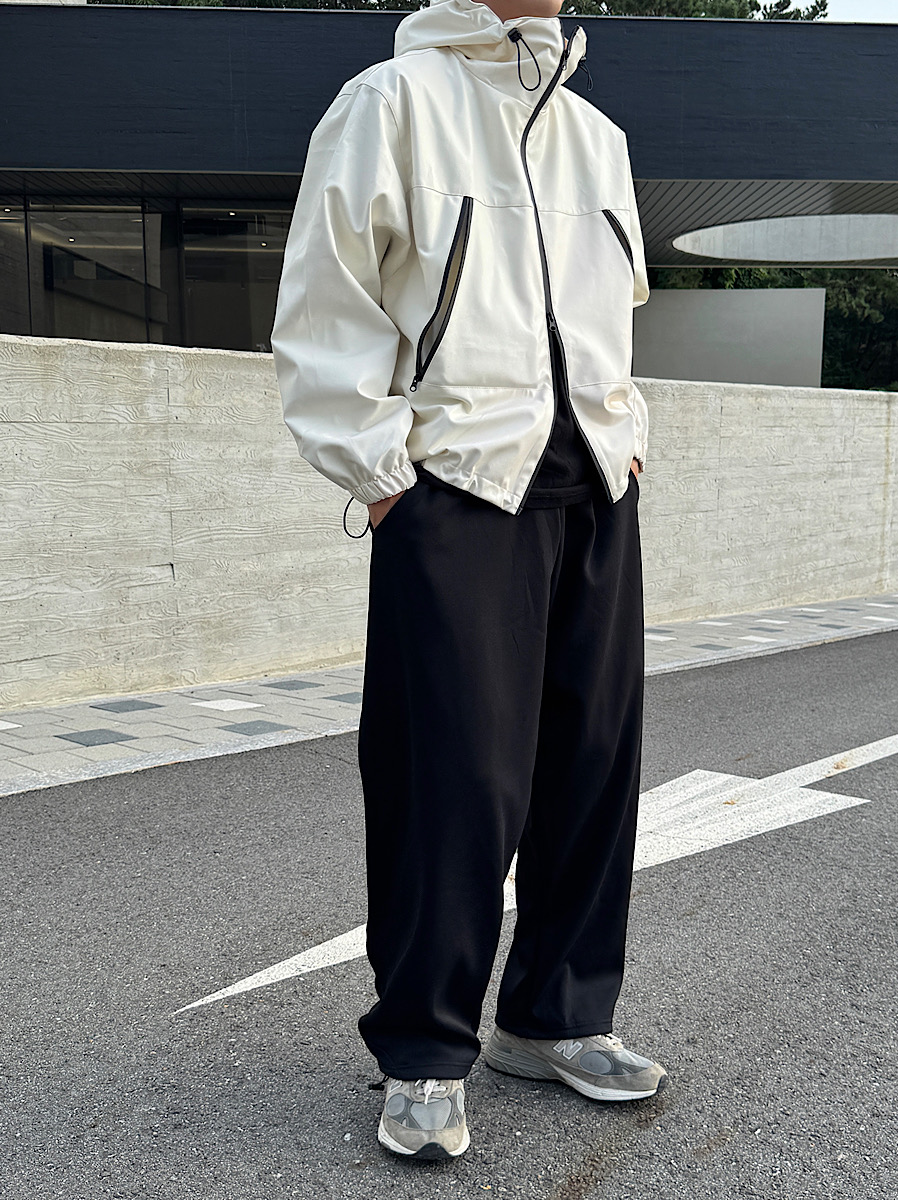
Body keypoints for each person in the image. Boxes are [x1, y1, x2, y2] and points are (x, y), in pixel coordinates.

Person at [271, 0, 666, 1161]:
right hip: (455, 488)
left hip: (593, 486)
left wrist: (627, 436)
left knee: (590, 766)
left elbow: (609, 313)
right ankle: (425, 1049)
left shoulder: (596, 135)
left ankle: (553, 1018)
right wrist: (381, 474)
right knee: (450, 779)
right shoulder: (390, 103)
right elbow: (327, 299)